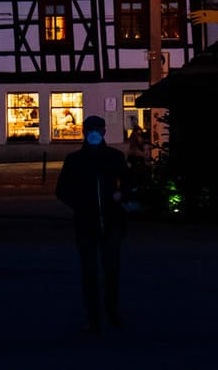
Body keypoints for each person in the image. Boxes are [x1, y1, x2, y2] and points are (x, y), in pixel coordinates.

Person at [55, 116, 129, 334]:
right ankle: (94, 316)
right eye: (91, 129)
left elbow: (127, 180)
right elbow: (62, 190)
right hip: (86, 223)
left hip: (112, 222)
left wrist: (120, 195)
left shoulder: (114, 157)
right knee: (90, 272)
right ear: (84, 133)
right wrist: (80, 204)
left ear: (104, 132)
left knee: (111, 269)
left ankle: (111, 310)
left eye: (98, 129)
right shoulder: (75, 160)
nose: (94, 133)